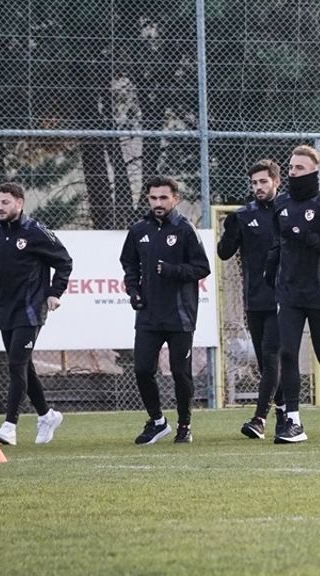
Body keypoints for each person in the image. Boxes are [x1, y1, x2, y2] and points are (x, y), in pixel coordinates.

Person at [0, 182, 73, 446]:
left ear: (20, 203)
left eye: (5, 202)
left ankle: (9, 426)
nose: (0, 207)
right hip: (4, 309)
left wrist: (55, 292)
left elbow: (64, 261)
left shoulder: (36, 232)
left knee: (16, 365)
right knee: (23, 366)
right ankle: (47, 415)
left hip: (31, 310)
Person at [267, 145, 320, 444]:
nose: (292, 172)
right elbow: (279, 240)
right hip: (289, 290)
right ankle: (293, 420)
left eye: (299, 168)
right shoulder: (282, 203)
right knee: (287, 352)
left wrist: (305, 236)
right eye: (290, 167)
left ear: (314, 170)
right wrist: (271, 264)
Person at [120, 176, 211, 445]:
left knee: (180, 372)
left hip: (180, 315)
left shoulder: (185, 229)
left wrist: (173, 271)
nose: (158, 203)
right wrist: (134, 290)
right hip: (148, 314)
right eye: (153, 198)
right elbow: (129, 264)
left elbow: (201, 267)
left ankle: (185, 424)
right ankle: (158, 421)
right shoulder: (139, 230)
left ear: (175, 199)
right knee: (142, 369)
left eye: (163, 198)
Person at [217, 159, 286, 440]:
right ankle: (284, 413)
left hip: (283, 299)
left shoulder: (287, 211)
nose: (258, 187)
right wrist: (232, 230)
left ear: (276, 182)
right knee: (265, 361)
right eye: (254, 183)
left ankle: (259, 419)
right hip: (254, 299)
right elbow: (224, 252)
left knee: (271, 358)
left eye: (263, 182)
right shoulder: (244, 215)